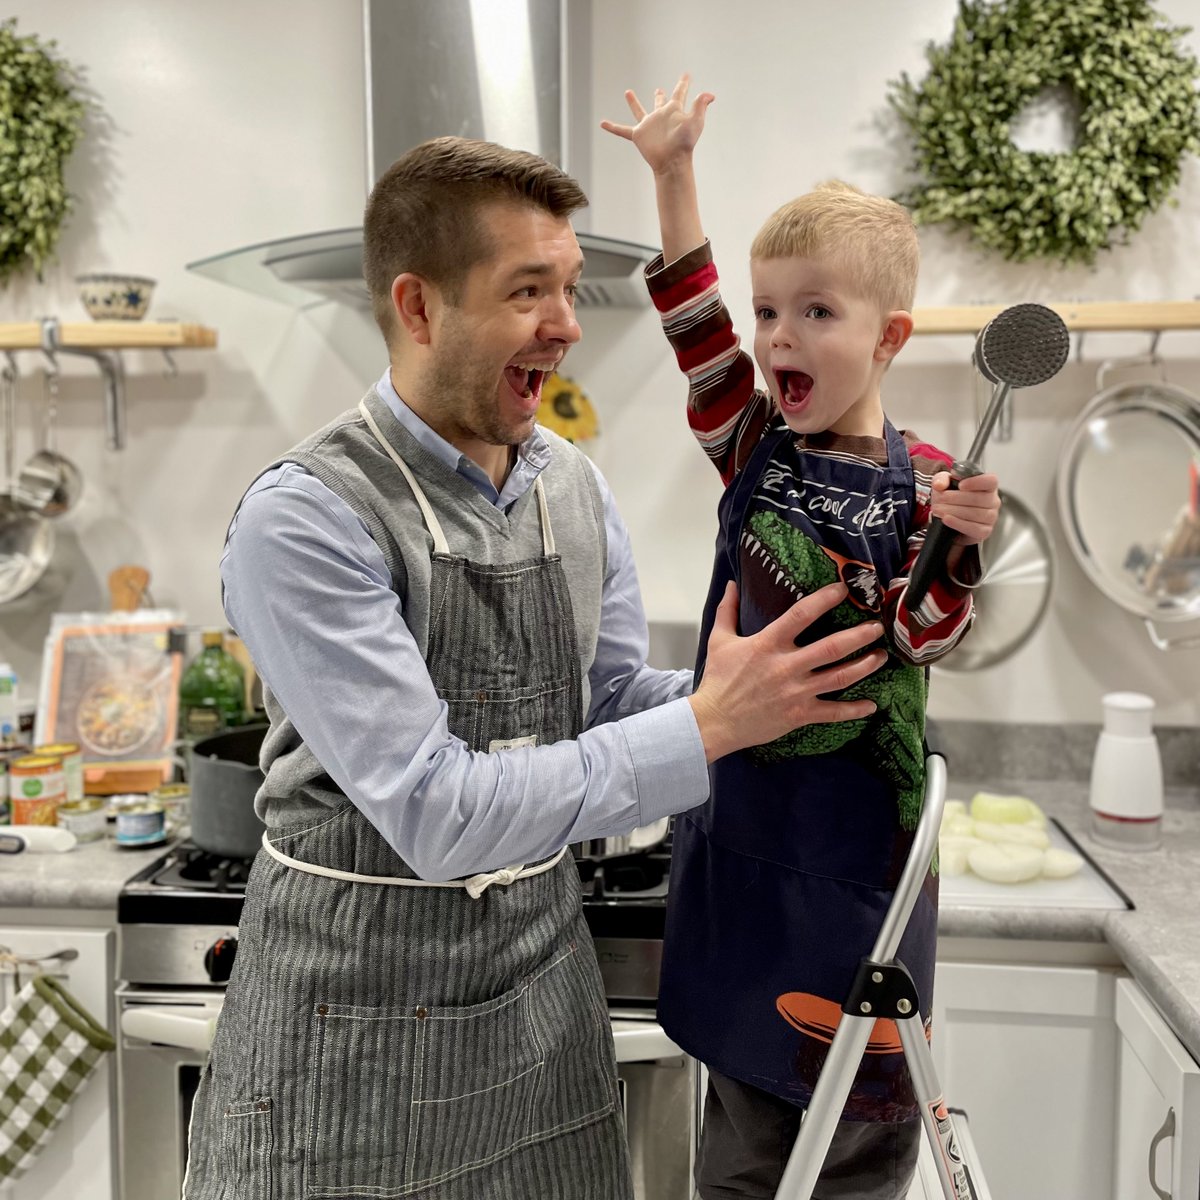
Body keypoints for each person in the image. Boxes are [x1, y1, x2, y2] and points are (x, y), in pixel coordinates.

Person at [181, 136, 894, 1200]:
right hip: (349, 1043)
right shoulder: (308, 518)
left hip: (539, 1025)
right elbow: (436, 811)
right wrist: (709, 724)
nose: (567, 322)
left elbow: (604, 702)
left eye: (567, 287)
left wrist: (805, 703)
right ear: (418, 307)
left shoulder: (571, 486)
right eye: (529, 291)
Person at [603, 77, 1002, 1199]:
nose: (780, 334)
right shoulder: (751, 440)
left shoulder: (931, 482)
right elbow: (692, 321)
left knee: (856, 1138)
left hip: (861, 859)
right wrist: (674, 174)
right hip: (743, 834)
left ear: (890, 339)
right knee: (740, 1150)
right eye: (770, 310)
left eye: (816, 312)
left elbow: (928, 635)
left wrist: (960, 544)